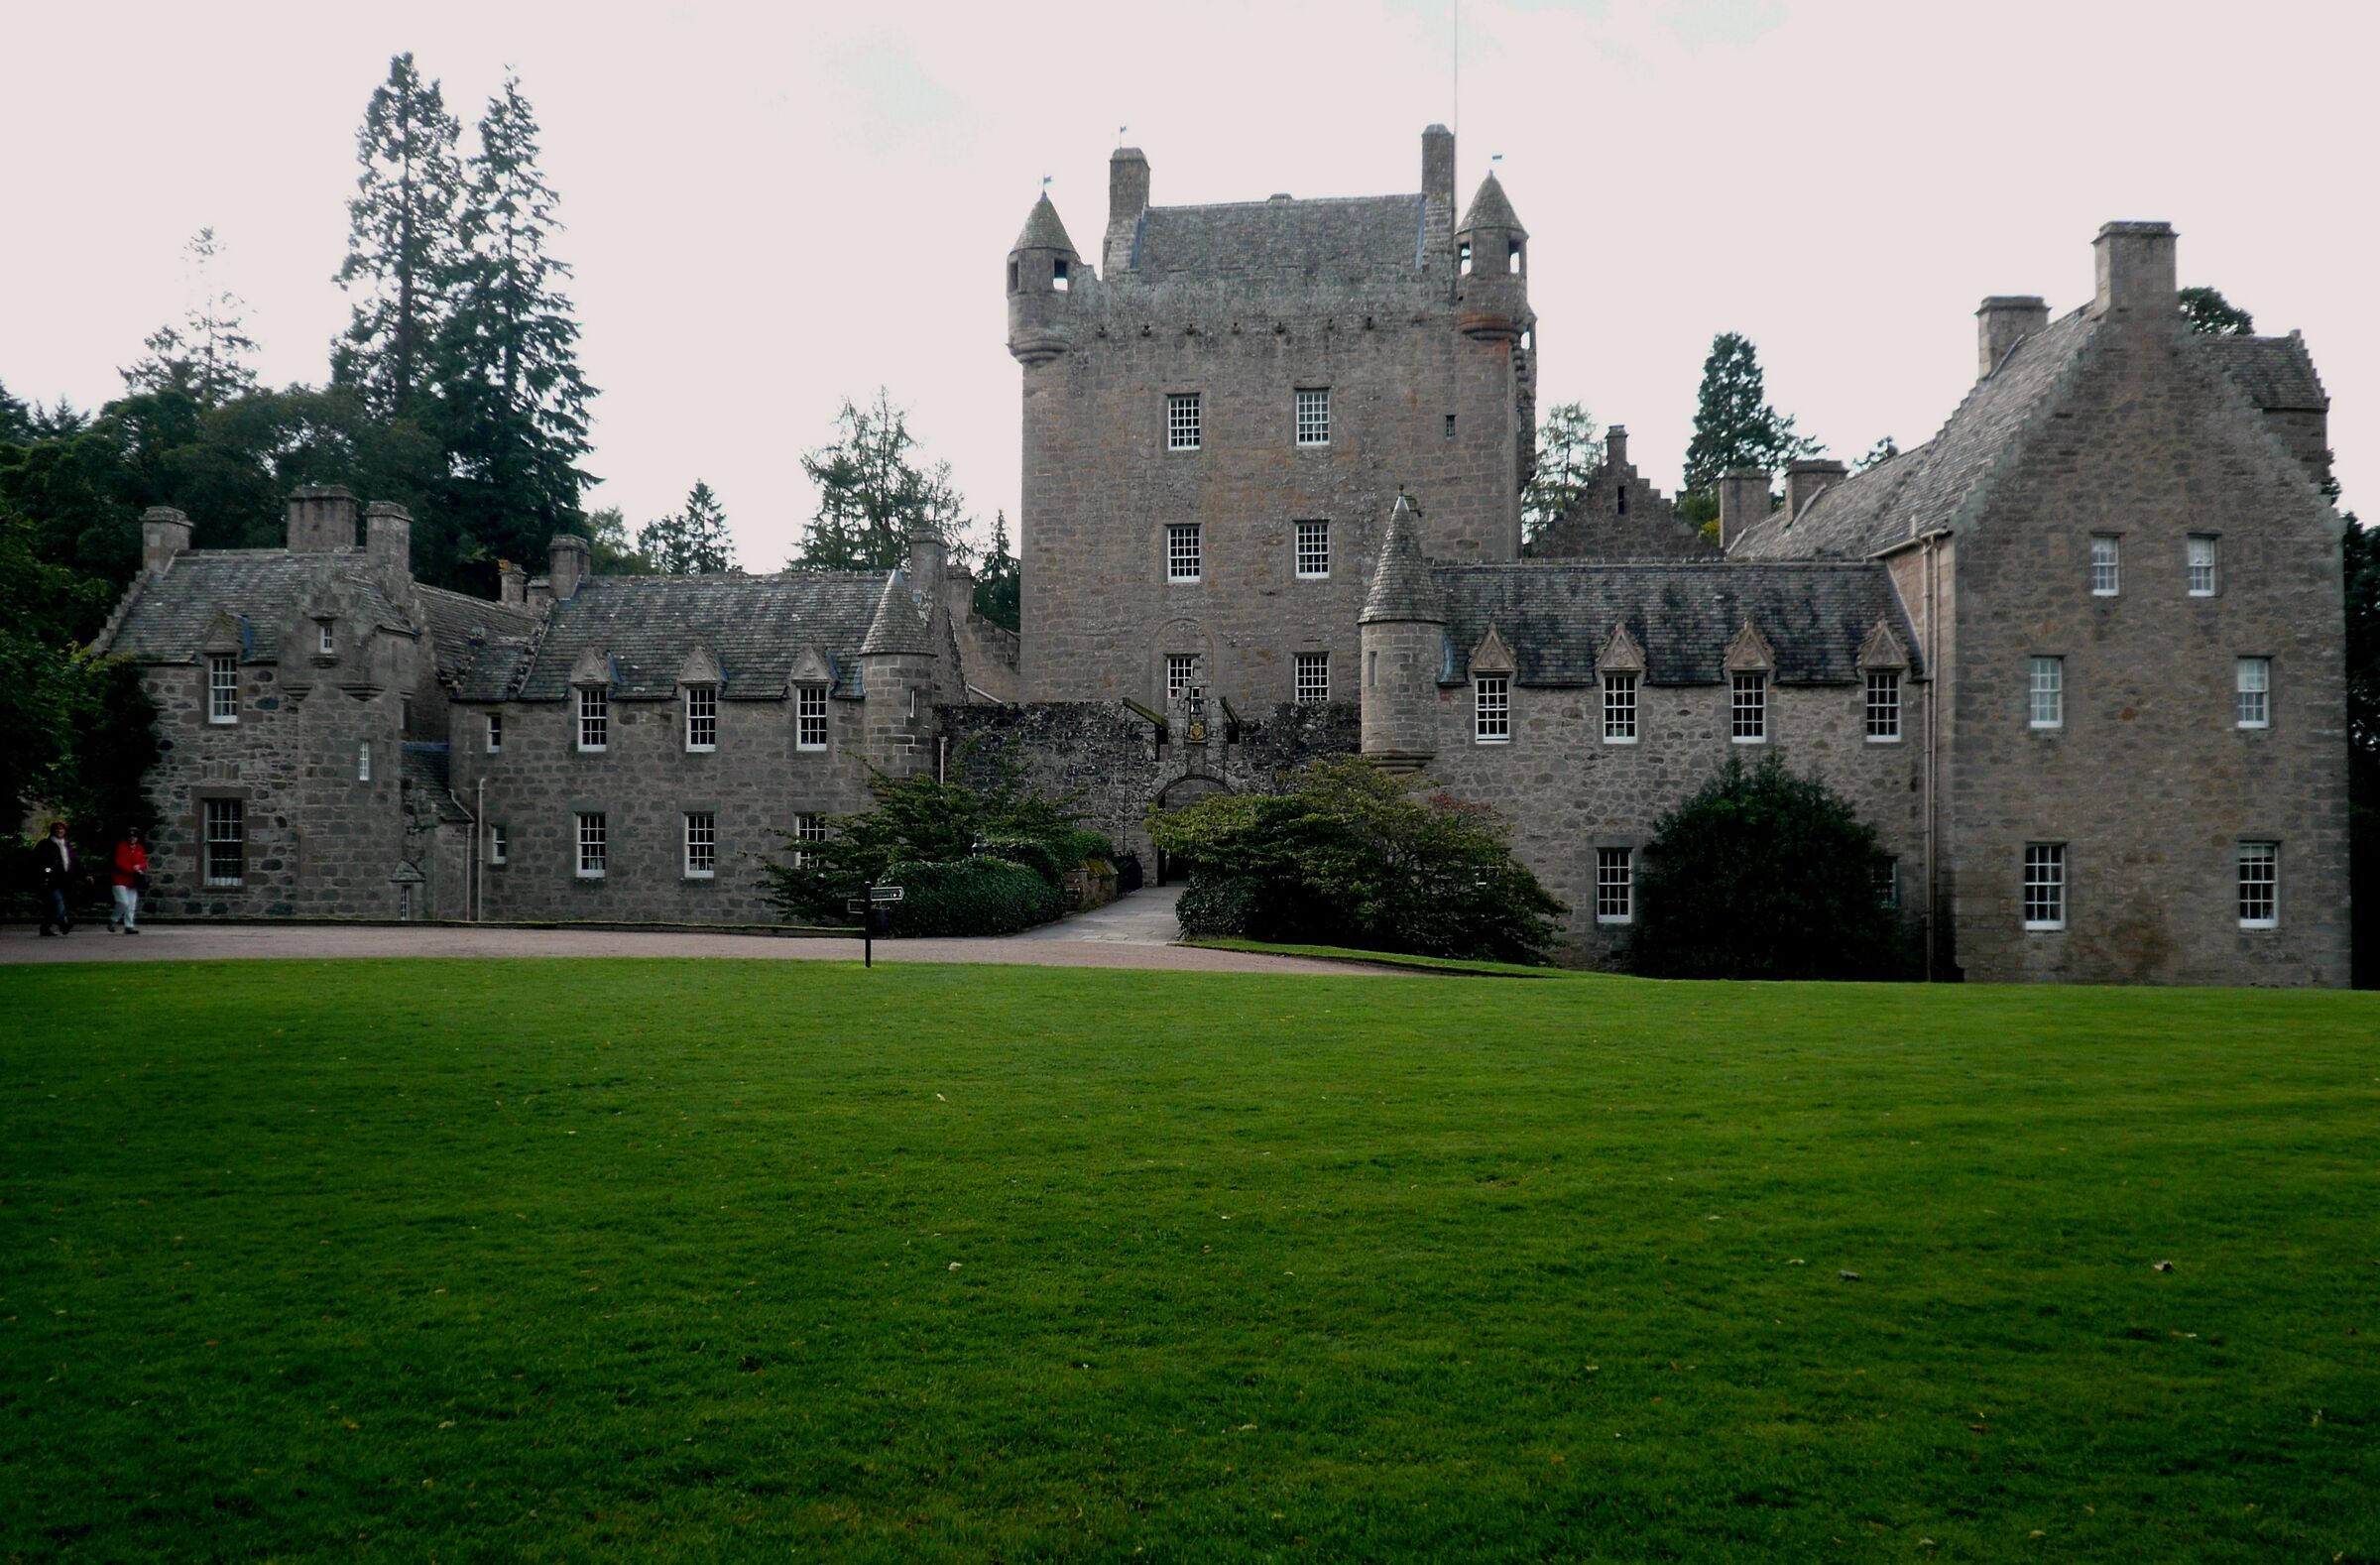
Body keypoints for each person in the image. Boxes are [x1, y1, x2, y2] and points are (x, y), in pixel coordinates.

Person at [34, 820, 80, 936]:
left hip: (65, 879)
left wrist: (86, 874)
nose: (60, 831)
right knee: (58, 901)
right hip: (50, 880)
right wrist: (45, 872)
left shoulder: (67, 845)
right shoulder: (45, 844)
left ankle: (45, 927)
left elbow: (75, 861)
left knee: (51, 905)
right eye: (57, 829)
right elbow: (36, 860)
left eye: (62, 829)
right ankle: (63, 924)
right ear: (53, 831)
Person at [108, 827, 149, 934]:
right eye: (130, 836)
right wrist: (133, 869)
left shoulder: (139, 848)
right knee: (123, 902)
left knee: (131, 904)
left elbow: (144, 863)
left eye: (135, 836)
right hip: (119, 879)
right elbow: (119, 863)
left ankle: (129, 926)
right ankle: (113, 919)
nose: (133, 838)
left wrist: (139, 866)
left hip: (133, 881)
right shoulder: (121, 846)